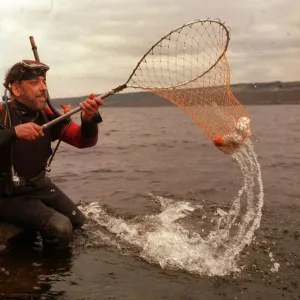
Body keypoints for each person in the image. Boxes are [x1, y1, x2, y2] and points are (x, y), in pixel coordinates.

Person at [0, 59, 104, 249]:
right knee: (60, 228)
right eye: (34, 83)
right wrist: (13, 132)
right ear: (16, 89)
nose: (42, 88)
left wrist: (88, 120)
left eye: (44, 82)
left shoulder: (47, 115)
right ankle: (47, 276)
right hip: (7, 194)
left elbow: (83, 141)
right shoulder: (2, 113)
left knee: (79, 223)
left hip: (38, 185)